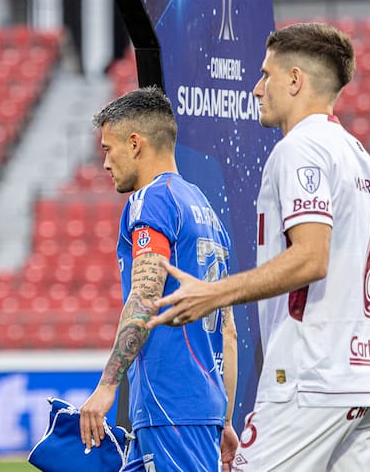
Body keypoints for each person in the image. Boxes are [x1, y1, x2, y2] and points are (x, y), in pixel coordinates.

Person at [147, 23, 370, 471]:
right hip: (367, 378)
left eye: (266, 75)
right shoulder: (358, 154)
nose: (257, 88)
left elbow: (311, 256)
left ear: (295, 80)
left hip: (311, 377)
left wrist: (213, 293)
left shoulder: (299, 148)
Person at [79, 86, 239, 471]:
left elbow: (145, 296)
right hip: (199, 409)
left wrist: (107, 386)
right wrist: (226, 419)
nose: (105, 163)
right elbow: (229, 330)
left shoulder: (152, 200)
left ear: (135, 143)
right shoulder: (204, 208)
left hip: (170, 407)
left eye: (108, 148)